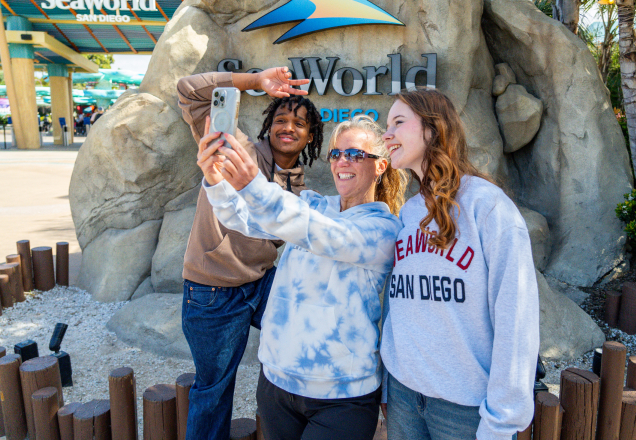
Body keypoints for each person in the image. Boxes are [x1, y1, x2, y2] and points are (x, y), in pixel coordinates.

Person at [199, 114, 406, 440]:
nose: (342, 162)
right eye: (336, 153)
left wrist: (252, 184)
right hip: (277, 384)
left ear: (380, 166)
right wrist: (216, 181)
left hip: (341, 397)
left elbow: (325, 235)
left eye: (354, 154)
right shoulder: (312, 205)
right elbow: (245, 220)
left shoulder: (385, 229)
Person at [380, 88, 540, 440]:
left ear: (433, 129)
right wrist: (390, 381)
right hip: (405, 395)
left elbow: (517, 317)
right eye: (387, 124)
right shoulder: (409, 212)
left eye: (399, 122)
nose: (386, 133)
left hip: (464, 408)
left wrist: (502, 420)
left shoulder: (487, 208)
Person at [176, 67, 324, 440]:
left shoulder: (298, 185)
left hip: (260, 285)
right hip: (213, 291)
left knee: (310, 329)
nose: (289, 126)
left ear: (310, 135)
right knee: (214, 389)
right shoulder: (236, 150)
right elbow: (189, 90)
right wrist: (255, 81)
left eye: (300, 123)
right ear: (267, 126)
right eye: (281, 119)